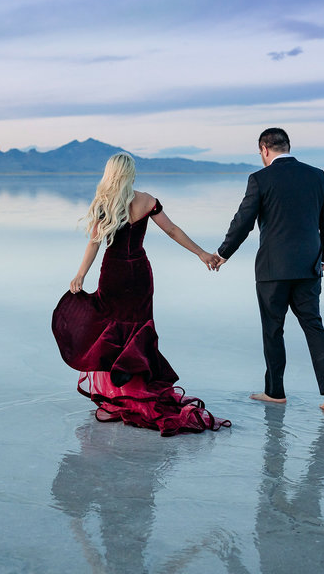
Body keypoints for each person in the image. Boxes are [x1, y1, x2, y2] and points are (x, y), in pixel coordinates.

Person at [52, 152, 231, 436]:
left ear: (110, 173)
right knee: (138, 330)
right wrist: (201, 253)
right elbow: (172, 230)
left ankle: (115, 400)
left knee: (112, 330)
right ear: (130, 173)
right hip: (139, 273)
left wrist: (80, 274)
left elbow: (94, 243)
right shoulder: (147, 200)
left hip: (113, 273)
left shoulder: (105, 203)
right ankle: (134, 392)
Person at [212, 128, 324, 410]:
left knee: (273, 329)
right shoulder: (316, 175)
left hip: (273, 269)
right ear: (288, 146)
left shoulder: (260, 179)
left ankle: (275, 391)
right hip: (309, 266)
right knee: (313, 324)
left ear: (263, 149)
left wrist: (223, 253)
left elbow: (243, 221)